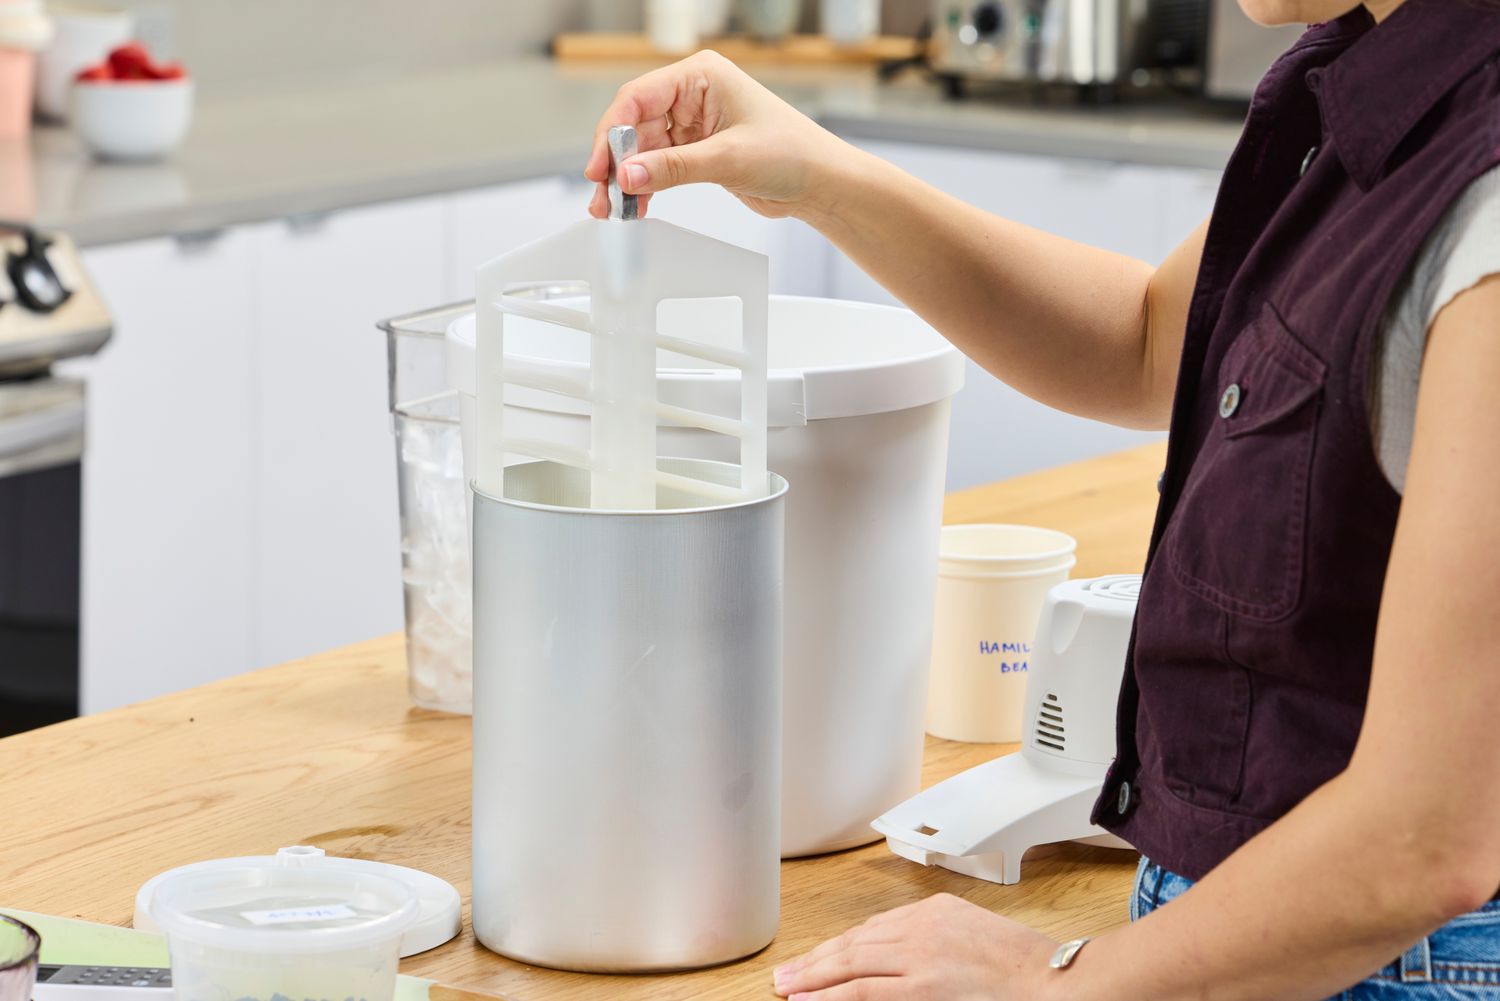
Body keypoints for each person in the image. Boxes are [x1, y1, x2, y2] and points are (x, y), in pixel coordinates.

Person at [583, 0, 1500, 997]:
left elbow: (1426, 840)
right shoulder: (1379, 87)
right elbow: (1150, 338)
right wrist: (819, 176)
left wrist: (1053, 978)